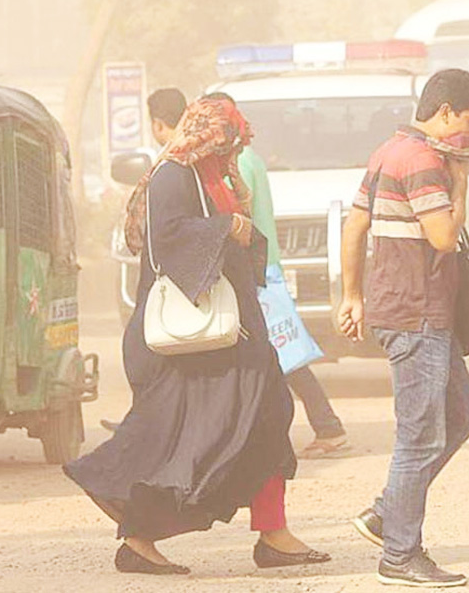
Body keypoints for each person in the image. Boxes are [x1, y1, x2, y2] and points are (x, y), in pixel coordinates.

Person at [66, 97, 330, 575]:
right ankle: (137, 535)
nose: (233, 151)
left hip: (235, 337)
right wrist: (228, 225)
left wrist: (236, 219)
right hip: (195, 345)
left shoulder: (214, 177)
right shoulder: (175, 175)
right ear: (206, 135)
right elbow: (167, 237)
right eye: (227, 141)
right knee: (185, 440)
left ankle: (274, 534)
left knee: (268, 418)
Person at [337, 69, 469, 588]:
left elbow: (354, 226)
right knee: (420, 437)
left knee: (463, 414)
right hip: (417, 313)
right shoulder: (427, 162)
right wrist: (462, 183)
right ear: (445, 111)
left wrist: (354, 295)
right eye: (467, 122)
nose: (468, 136)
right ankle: (400, 555)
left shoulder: (388, 151)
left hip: (407, 309)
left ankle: (388, 513)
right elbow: (444, 236)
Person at [204, 92, 349, 458]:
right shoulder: (250, 157)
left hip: (256, 270)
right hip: (264, 266)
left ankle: (327, 425)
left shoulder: (238, 162)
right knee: (277, 353)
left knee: (284, 355)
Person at [102, 87, 188, 432]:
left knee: (141, 349)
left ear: (156, 124)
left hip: (166, 277)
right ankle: (144, 424)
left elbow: (166, 228)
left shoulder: (172, 166)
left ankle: (145, 428)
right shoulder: (181, 161)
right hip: (171, 276)